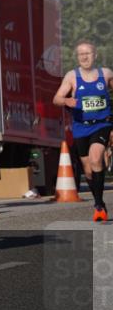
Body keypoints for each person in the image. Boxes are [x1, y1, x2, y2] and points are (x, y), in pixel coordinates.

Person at [52, 39, 111, 222]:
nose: (84, 57)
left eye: (88, 53)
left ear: (95, 55)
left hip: (102, 124)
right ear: (77, 57)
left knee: (95, 158)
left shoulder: (106, 74)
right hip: (80, 128)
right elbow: (56, 98)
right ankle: (98, 200)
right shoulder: (72, 76)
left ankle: (99, 206)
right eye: (81, 54)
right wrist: (66, 101)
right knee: (88, 170)